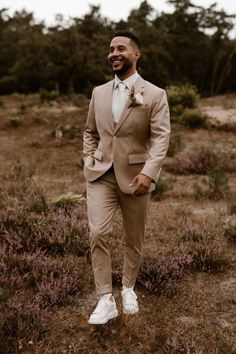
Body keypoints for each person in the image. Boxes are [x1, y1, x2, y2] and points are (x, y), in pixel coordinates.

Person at [83, 30, 170, 325]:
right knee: (98, 233)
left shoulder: (156, 94)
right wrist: (88, 158)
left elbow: (161, 138)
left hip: (136, 178)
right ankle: (105, 298)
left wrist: (149, 172)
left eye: (121, 48)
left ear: (136, 54)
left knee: (133, 238)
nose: (114, 53)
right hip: (100, 174)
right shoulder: (98, 92)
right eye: (110, 49)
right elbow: (90, 132)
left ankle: (128, 287)